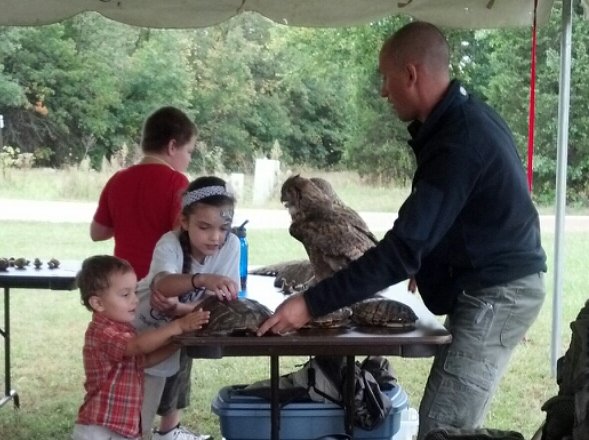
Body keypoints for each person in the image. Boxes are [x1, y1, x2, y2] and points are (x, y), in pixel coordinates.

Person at [257, 21, 547, 439]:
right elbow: (462, 214)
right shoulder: (458, 122)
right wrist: (429, 257)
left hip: (501, 294)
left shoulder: (457, 140)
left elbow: (400, 250)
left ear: (410, 74)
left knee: (441, 429)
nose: (382, 91)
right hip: (489, 285)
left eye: (386, 78)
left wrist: (308, 304)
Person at [134, 176, 240, 440]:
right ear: (185, 222)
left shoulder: (232, 246)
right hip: (143, 331)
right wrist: (201, 280)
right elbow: (163, 284)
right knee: (138, 410)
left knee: (174, 383)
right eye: (204, 227)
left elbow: (221, 303)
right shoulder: (169, 243)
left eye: (223, 228)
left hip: (180, 329)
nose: (215, 237)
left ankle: (167, 432)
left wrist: (180, 310)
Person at [72, 255, 210, 440]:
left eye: (135, 292)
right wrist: (176, 326)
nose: (135, 300)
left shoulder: (122, 330)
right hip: (100, 429)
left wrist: (177, 341)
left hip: (120, 427)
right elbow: (137, 347)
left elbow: (145, 360)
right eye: (125, 294)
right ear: (98, 303)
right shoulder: (103, 332)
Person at [91, 106, 196, 280]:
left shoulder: (118, 179)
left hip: (123, 285)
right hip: (160, 282)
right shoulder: (176, 182)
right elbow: (184, 238)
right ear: (172, 146)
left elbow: (97, 233)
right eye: (189, 151)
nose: (189, 159)